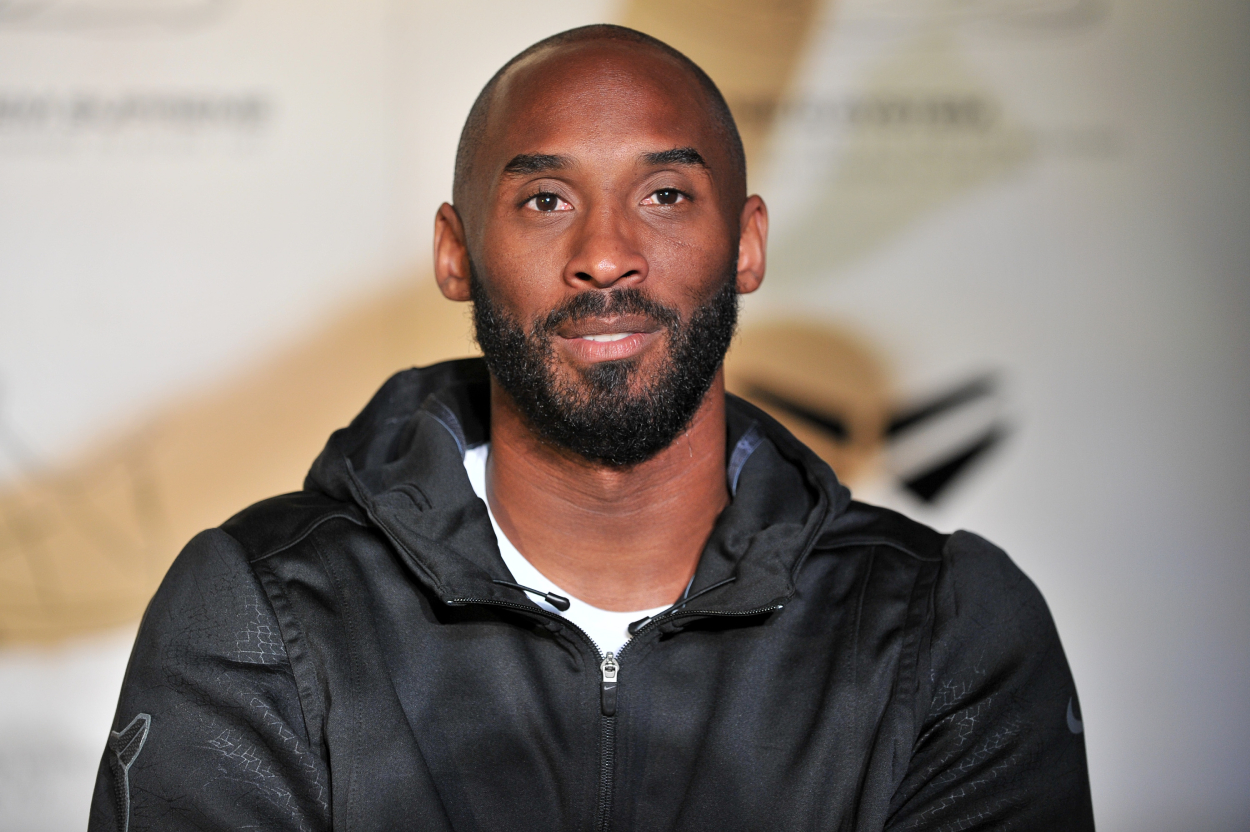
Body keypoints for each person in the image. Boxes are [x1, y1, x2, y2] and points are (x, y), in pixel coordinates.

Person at [90, 24, 1093, 832]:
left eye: (663, 195)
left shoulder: (943, 624)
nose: (605, 256)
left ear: (744, 243)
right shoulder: (260, 609)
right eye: (544, 198)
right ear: (456, 254)